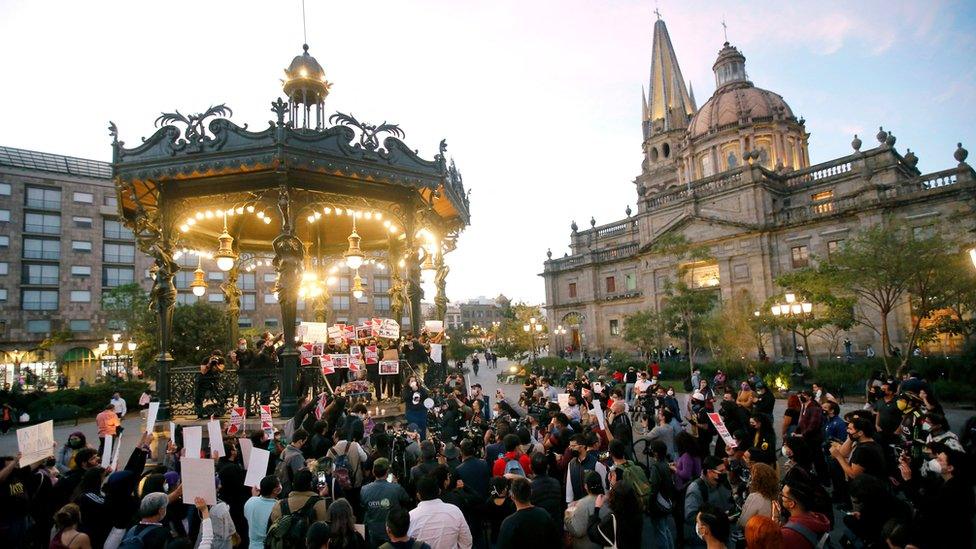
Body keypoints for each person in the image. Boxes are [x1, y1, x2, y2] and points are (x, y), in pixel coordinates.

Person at [407, 475, 472, 549]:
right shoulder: (454, 511)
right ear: (439, 491)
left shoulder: (410, 517)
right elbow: (467, 542)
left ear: (418, 496)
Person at [496, 476, 558, 549]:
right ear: (531, 493)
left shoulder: (508, 524)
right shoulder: (544, 514)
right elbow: (555, 542)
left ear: (512, 497)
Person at [360, 458, 411, 547]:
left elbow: (363, 507)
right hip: (393, 532)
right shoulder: (396, 488)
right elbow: (407, 500)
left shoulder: (364, 490)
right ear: (387, 472)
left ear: (373, 471)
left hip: (373, 532)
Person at [683, 457, 732, 548]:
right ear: (709, 472)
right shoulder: (695, 489)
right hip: (705, 541)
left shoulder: (720, 482)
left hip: (721, 536)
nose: (724, 474)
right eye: (721, 471)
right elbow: (690, 516)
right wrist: (714, 519)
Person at [587, 471, 643, 549]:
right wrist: (613, 486)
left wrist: (597, 508)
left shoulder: (613, 519)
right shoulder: (638, 513)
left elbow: (593, 533)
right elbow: (622, 494)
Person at [773, 477, 830, 548]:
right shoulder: (818, 518)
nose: (780, 497)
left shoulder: (787, 534)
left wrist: (774, 521)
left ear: (791, 504)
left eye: (782, 495)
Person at [564, 470, 606, 549]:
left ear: (586, 486)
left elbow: (578, 531)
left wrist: (567, 517)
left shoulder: (582, 504)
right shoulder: (608, 500)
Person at [243, 475, 280, 548]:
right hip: (269, 545)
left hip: (252, 545)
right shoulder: (278, 506)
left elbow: (248, 515)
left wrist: (254, 496)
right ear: (275, 490)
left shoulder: (250, 501)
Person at [738, 463, 776, 529]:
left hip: (756, 533)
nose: (750, 478)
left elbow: (743, 522)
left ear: (756, 480)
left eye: (751, 475)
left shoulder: (755, 497)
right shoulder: (775, 495)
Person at [279, 430, 310, 495]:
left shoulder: (285, 450)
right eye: (305, 441)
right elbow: (301, 477)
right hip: (294, 491)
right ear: (300, 441)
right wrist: (309, 467)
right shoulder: (296, 456)